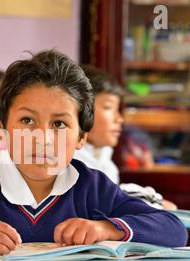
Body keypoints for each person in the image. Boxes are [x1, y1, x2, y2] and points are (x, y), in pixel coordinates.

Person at [0, 50, 187, 257]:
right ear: (3, 127)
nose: (41, 138)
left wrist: (104, 229)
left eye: (59, 124)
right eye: (27, 121)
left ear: (82, 137)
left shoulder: (90, 186)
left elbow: (174, 230)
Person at [74, 65, 177, 210]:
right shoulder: (68, 161)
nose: (119, 119)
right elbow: (102, 201)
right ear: (80, 111)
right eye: (109, 107)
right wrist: (153, 202)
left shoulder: (105, 160)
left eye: (118, 110)